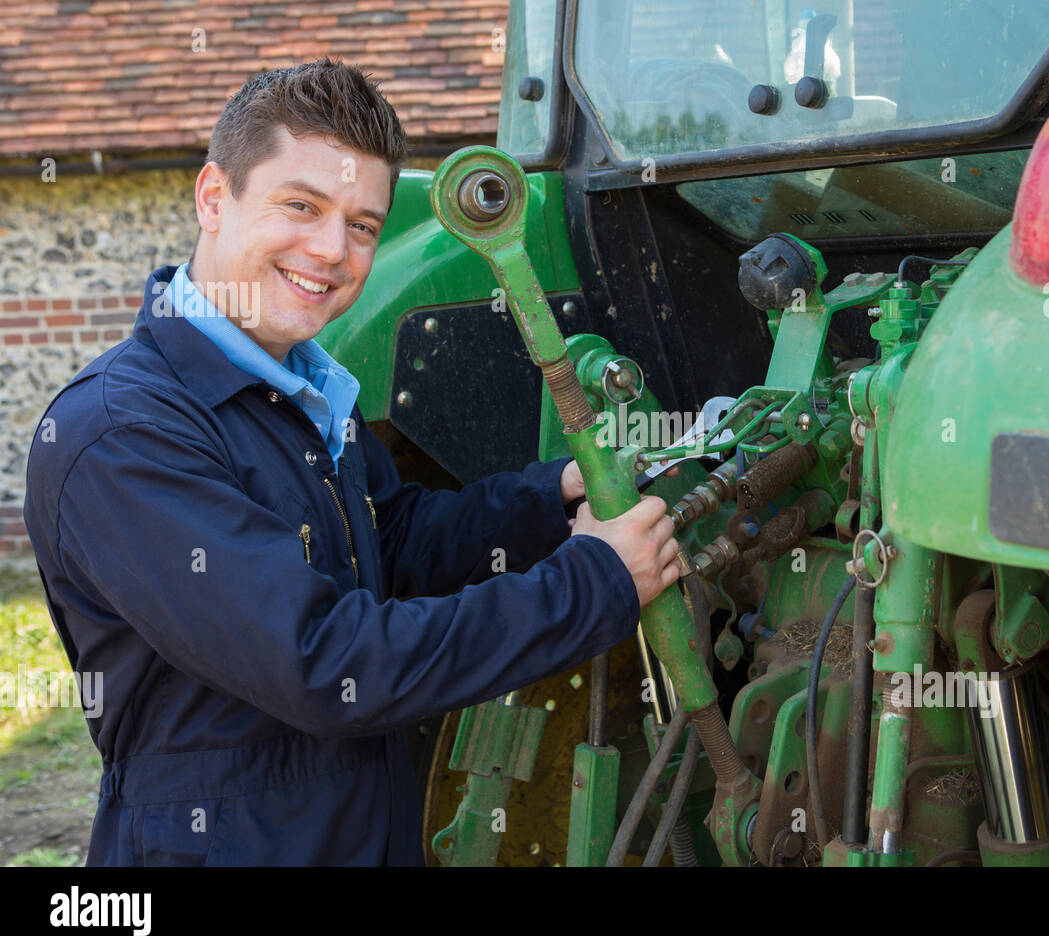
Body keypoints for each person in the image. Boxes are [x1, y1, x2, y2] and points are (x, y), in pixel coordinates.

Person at [22, 59, 680, 865]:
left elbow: (393, 543)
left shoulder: (301, 383)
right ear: (213, 199)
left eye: (363, 224)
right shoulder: (120, 433)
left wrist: (555, 495)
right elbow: (326, 663)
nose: (332, 250)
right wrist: (595, 583)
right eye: (301, 206)